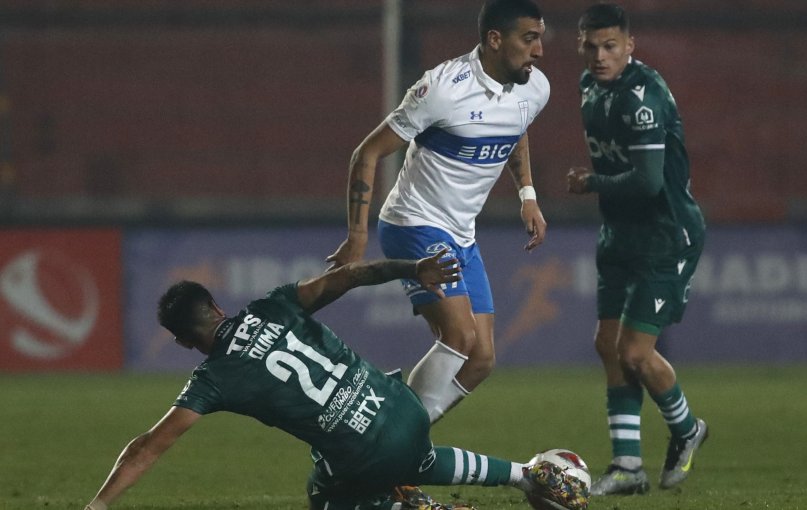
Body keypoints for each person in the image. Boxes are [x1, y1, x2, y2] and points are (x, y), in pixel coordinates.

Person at [83, 251, 589, 510]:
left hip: (366, 454)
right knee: (403, 452)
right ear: (216, 305)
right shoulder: (274, 305)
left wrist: (99, 503)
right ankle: (526, 473)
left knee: (327, 493)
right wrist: (413, 268)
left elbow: (148, 448)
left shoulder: (213, 379)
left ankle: (400, 504)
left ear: (182, 341)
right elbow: (347, 276)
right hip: (403, 408)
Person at [326, 0, 550, 424]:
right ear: (495, 40)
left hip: (462, 234)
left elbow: (516, 130)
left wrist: (528, 194)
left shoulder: (534, 87)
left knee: (481, 359)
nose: (539, 50)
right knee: (460, 337)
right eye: (529, 38)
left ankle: (397, 438)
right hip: (414, 222)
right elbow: (367, 153)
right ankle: (392, 445)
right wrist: (357, 236)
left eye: (540, 38)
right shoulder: (443, 89)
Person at [565, 3, 709, 496]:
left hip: (665, 237)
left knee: (633, 350)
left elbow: (649, 182)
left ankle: (688, 428)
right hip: (621, 235)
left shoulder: (641, 97)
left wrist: (591, 183)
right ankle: (628, 465)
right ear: (580, 44)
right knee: (608, 345)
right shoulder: (589, 87)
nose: (599, 56)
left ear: (630, 45)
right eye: (591, 46)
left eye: (610, 46)